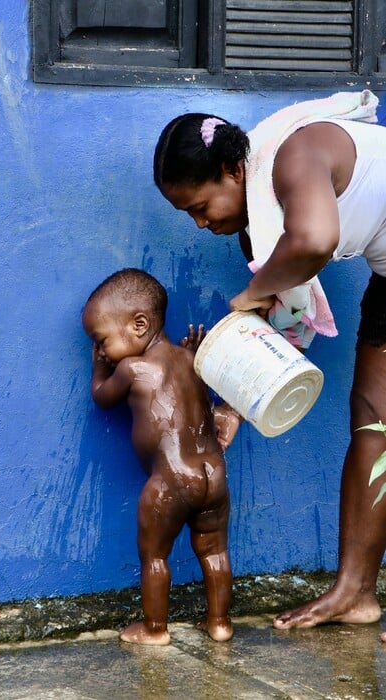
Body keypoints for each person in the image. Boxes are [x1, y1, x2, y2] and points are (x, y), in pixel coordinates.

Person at [152, 92, 386, 632]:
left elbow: (315, 239)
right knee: (374, 420)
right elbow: (286, 325)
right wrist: (235, 404)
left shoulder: (293, 155)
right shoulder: (260, 228)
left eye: (199, 207)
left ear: (235, 169)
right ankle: (356, 593)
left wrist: (251, 293)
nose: (198, 223)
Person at [82, 268, 233, 645]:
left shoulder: (131, 369)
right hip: (213, 474)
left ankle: (155, 629)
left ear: (139, 324)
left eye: (101, 340)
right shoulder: (191, 361)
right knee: (214, 549)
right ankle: (219, 623)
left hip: (170, 479)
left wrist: (100, 368)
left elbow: (101, 396)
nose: (100, 350)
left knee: (154, 556)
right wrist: (198, 357)